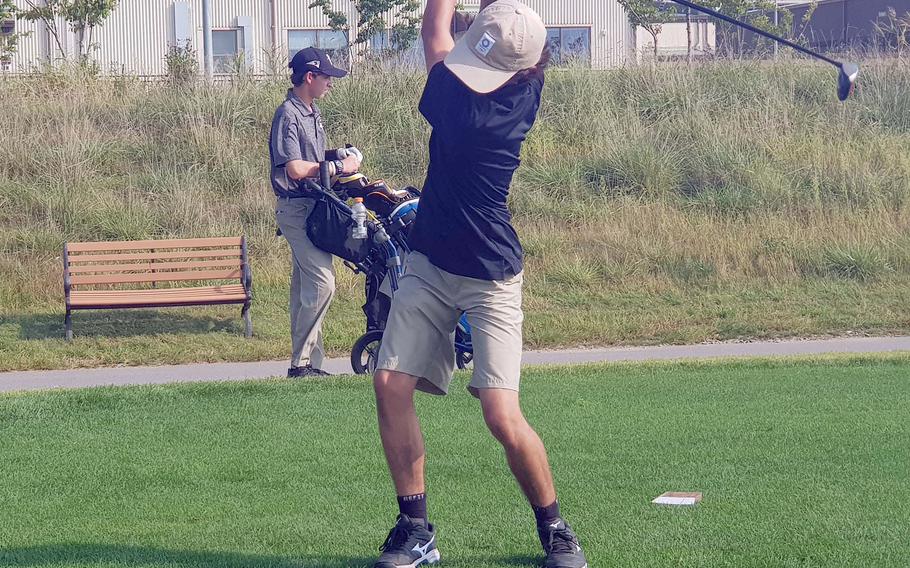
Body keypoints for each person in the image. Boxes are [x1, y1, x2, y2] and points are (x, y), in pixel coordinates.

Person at [370, 1, 588, 567]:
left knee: (500, 414)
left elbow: (434, 27)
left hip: (490, 276)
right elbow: (507, 27)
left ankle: (556, 529)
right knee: (390, 382)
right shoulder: (530, 88)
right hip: (431, 261)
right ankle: (415, 530)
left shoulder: (455, 101)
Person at [268, 47, 362, 378]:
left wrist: (336, 154)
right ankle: (301, 365)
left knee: (304, 289)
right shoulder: (288, 114)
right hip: (297, 210)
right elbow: (295, 168)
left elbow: (311, 156)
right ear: (310, 77)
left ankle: (309, 366)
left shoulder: (311, 111)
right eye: (326, 78)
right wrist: (338, 165)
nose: (330, 84)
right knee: (323, 283)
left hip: (313, 207)